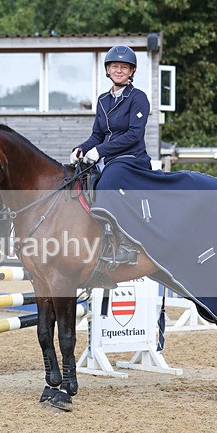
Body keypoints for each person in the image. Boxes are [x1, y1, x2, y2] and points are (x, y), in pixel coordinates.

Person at [70, 45, 151, 267]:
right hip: (107, 158)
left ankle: (126, 246)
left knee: (106, 185)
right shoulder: (103, 100)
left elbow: (134, 135)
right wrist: (81, 149)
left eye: (124, 67)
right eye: (115, 66)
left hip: (131, 159)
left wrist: (100, 151)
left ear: (131, 71)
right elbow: (97, 135)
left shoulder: (138, 98)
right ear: (108, 70)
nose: (119, 70)